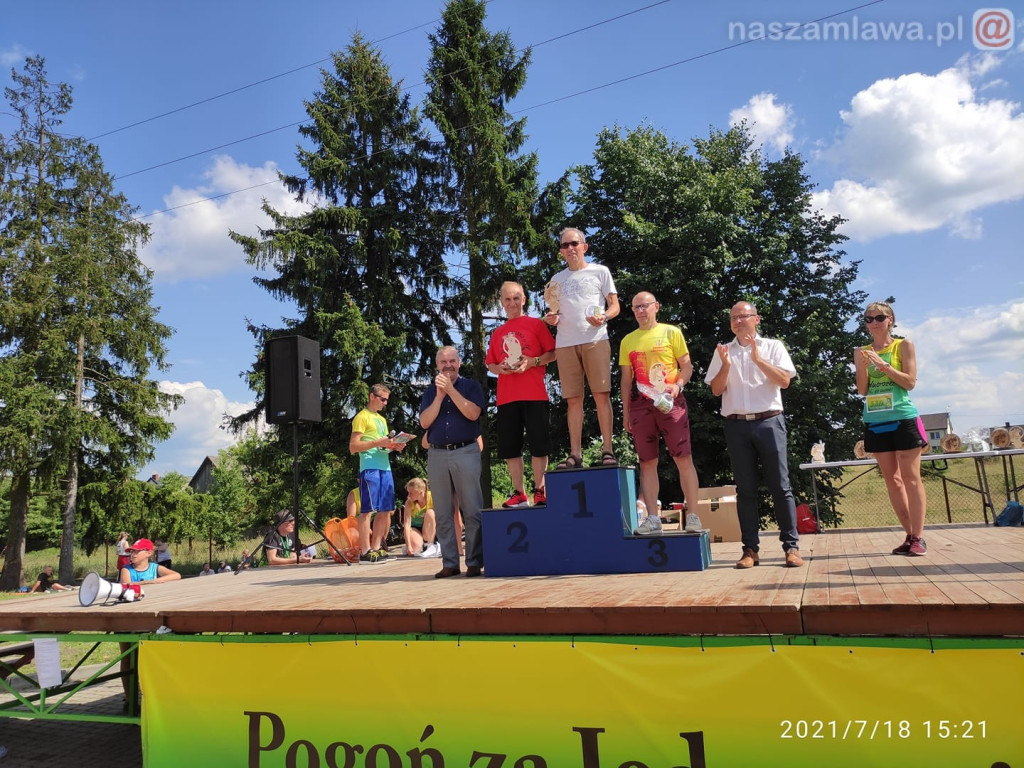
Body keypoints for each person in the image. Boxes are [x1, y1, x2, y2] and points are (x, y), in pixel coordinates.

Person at [705, 301, 803, 568]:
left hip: (769, 421)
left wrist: (758, 359)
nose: (738, 321)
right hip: (737, 425)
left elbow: (784, 381)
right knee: (745, 490)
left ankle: (791, 548)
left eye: (743, 316)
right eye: (733, 317)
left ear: (756, 319)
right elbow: (715, 390)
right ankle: (750, 550)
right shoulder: (723, 351)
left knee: (780, 487)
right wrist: (725, 366)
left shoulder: (773, 346)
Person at [619, 292, 702, 535]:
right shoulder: (627, 340)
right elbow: (626, 380)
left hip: (670, 402)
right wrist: (625, 412)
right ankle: (653, 520)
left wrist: (678, 386)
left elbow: (687, 366)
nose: (640, 311)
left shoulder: (671, 332)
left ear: (656, 306)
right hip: (640, 406)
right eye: (635, 307)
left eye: (644, 306)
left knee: (683, 458)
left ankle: (694, 516)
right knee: (647, 462)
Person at [855, 301, 929, 556]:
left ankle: (919, 536)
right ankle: (909, 535)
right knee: (892, 481)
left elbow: (909, 383)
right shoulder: (861, 352)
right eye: (868, 319)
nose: (873, 322)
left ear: (890, 320)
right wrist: (865, 368)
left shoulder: (903, 345)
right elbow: (863, 390)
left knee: (910, 477)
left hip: (903, 417)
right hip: (875, 420)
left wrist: (884, 365)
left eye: (879, 317)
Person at [544, 228, 620, 468]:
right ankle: (575, 454)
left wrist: (604, 317)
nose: (570, 249)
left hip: (595, 339)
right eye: (565, 246)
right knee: (573, 400)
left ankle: (607, 450)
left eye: (574, 243)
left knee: (601, 395)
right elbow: (554, 311)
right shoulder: (556, 280)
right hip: (565, 343)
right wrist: (552, 319)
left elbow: (615, 306)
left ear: (584, 246)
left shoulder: (600, 271)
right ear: (561, 252)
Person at [486, 280, 557, 507]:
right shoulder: (497, 333)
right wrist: (500, 369)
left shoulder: (536, 325)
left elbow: (552, 353)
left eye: (516, 298)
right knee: (510, 447)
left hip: (534, 394)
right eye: (507, 299)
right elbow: (491, 364)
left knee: (539, 444)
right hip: (507, 397)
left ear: (524, 299)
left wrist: (533, 361)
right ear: (501, 303)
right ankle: (519, 493)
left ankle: (540, 489)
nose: (512, 303)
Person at [419, 345, 485, 578]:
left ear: (459, 362)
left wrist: (451, 391)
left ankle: (475, 561)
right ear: (437, 365)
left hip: (465, 451)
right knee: (443, 512)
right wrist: (439, 396)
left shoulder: (470, 386)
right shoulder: (430, 392)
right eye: (443, 362)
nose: (448, 366)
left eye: (452, 361)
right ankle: (450, 562)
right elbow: (425, 422)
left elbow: (473, 414)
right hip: (437, 454)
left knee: (472, 509)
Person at [349, 383, 407, 564]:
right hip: (370, 468)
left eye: (387, 400)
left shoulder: (381, 420)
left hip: (385, 467)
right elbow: (353, 447)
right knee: (367, 510)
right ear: (372, 397)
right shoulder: (361, 417)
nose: (385, 403)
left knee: (385, 510)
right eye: (382, 399)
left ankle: (376, 548)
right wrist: (377, 442)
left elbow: (383, 445)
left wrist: (394, 446)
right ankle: (365, 551)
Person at [403, 478, 439, 557]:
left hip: (430, 527)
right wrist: (408, 545)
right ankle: (417, 544)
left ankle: (430, 545)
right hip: (416, 528)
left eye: (411, 493)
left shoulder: (432, 497)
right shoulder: (409, 503)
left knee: (430, 512)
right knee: (415, 548)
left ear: (420, 492)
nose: (408, 495)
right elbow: (406, 524)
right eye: (408, 492)